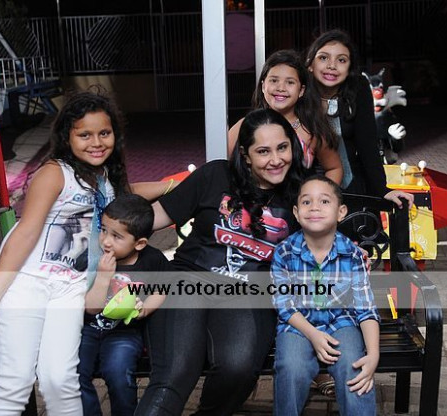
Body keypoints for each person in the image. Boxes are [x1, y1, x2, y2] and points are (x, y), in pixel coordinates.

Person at [0, 91, 131, 415]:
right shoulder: (55, 172)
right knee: (14, 384)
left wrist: (173, 186)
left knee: (61, 382)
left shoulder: (105, 178)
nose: (96, 142)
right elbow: (25, 232)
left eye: (104, 133)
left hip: (69, 289)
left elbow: (130, 198)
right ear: (67, 136)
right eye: (84, 135)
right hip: (27, 283)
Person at [134, 108, 306, 416]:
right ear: (246, 155)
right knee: (176, 371)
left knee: (238, 368)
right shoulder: (215, 175)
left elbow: (326, 235)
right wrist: (113, 230)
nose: (276, 159)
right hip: (189, 279)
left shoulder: (300, 192)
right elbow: (156, 217)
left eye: (282, 147)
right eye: (263, 151)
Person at [271, 175, 379, 416]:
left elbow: (365, 308)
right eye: (306, 202)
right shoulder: (285, 252)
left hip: (341, 321)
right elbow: (283, 303)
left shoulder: (352, 255)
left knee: (353, 364)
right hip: (297, 324)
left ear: (341, 212)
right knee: (291, 366)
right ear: (296, 213)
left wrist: (373, 354)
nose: (315, 207)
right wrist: (313, 334)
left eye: (324, 201)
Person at [79, 193, 169, 416]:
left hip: (125, 332)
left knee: (118, 371)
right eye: (103, 230)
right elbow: (91, 308)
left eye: (116, 236)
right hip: (88, 329)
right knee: (75, 373)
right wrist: (103, 277)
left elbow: (163, 288)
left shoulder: (152, 260)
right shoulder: (92, 258)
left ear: (139, 243)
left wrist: (145, 309)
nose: (106, 241)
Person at [305, 29, 413, 208]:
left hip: (350, 184)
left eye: (341, 60)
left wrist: (383, 190)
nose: (332, 65)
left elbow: (367, 144)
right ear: (310, 64)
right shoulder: (299, 90)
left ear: (350, 68)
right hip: (304, 188)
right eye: (323, 58)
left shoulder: (358, 89)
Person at [228, 49, 343, 185]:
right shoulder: (245, 126)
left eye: (290, 82)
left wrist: (320, 195)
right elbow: (222, 166)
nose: (281, 88)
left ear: (301, 91)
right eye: (274, 80)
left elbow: (334, 168)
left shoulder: (311, 130)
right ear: (263, 86)